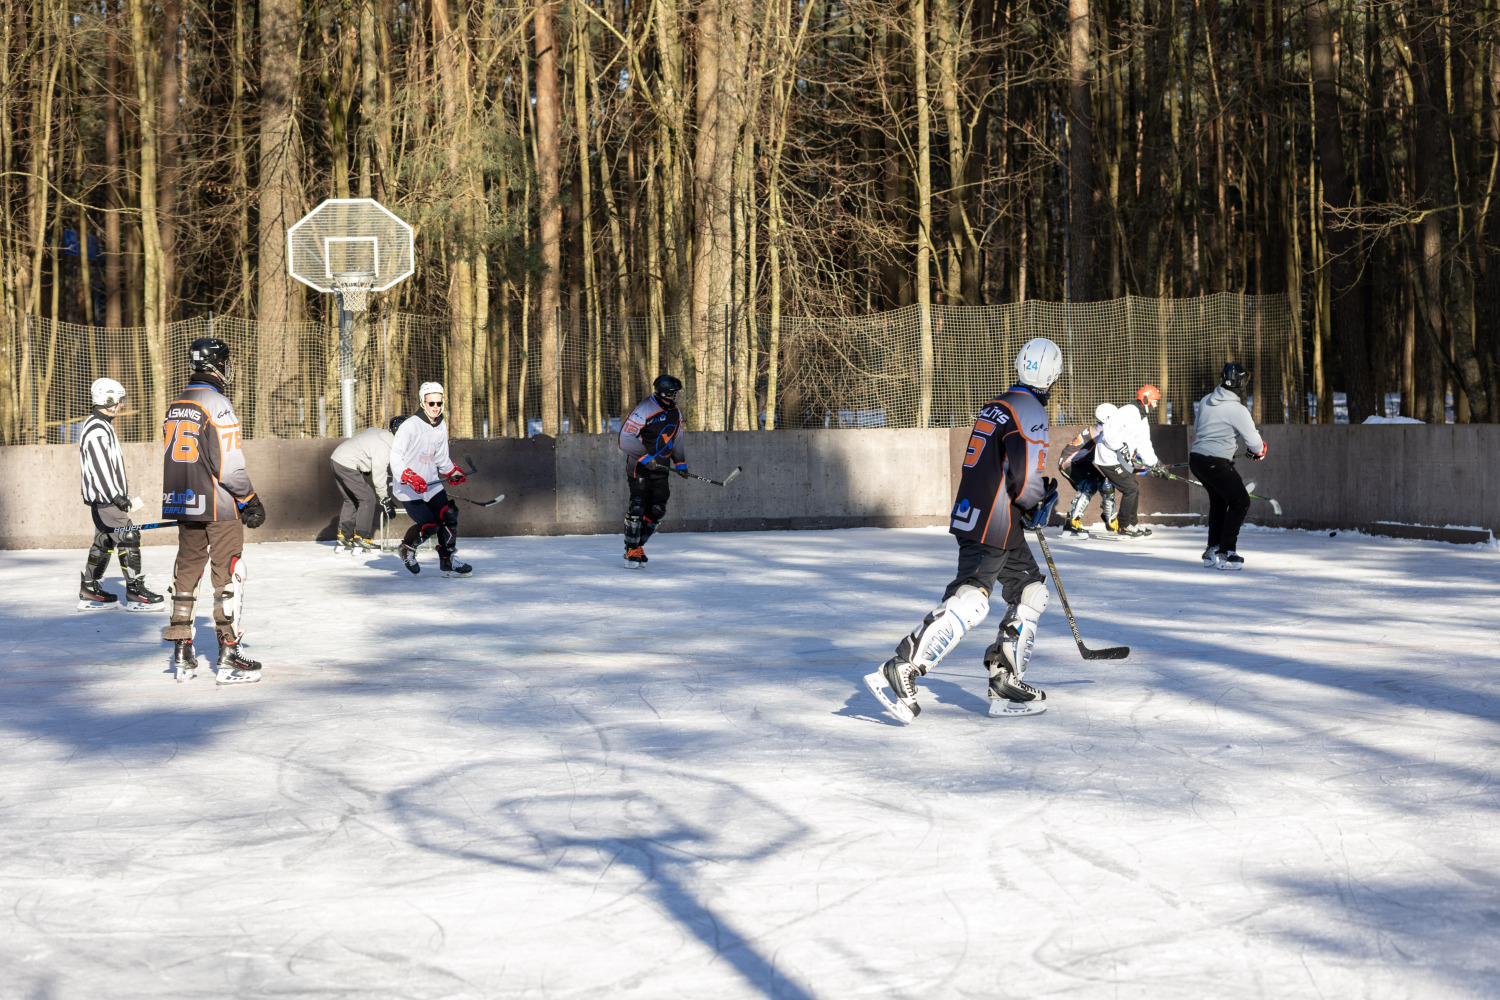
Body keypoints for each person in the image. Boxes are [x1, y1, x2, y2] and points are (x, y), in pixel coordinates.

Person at [864, 338, 1062, 723]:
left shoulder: (997, 405)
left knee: (1031, 591)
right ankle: (903, 666)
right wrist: (1036, 499)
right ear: (1054, 375)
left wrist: (1028, 498)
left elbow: (997, 466)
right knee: (972, 598)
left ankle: (1005, 680)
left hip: (983, 514)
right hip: (996, 518)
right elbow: (1023, 481)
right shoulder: (1031, 410)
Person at [160, 338, 266, 683]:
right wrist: (249, 499)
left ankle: (182, 648)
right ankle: (229, 652)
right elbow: (230, 466)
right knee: (229, 573)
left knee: (187, 572)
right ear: (218, 365)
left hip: (184, 503)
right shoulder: (218, 404)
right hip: (219, 507)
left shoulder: (175, 404)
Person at [77, 377, 163, 612]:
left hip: (107, 498)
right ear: (108, 399)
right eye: (120, 400)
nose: (122, 405)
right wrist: (116, 496)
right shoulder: (96, 428)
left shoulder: (102, 425)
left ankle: (89, 588)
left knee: (104, 540)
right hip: (107, 500)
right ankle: (135, 591)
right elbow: (99, 465)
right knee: (129, 537)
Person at [389, 383, 471, 577]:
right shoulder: (410, 426)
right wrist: (408, 476)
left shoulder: (441, 424)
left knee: (449, 515)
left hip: (431, 484)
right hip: (408, 488)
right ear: (422, 402)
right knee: (430, 525)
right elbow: (395, 457)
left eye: (439, 402)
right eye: (431, 402)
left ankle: (448, 559)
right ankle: (407, 548)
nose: (435, 407)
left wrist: (451, 471)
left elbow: (441, 457)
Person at [1189, 363, 1266, 570]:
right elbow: (1256, 443)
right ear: (1240, 383)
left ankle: (1213, 547)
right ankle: (1227, 550)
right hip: (1216, 462)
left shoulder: (1206, 400)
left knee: (1219, 502)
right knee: (1240, 501)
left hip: (1197, 459)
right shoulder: (1238, 409)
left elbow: (1200, 428)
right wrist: (1257, 451)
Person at [617, 374, 686, 566]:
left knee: (657, 511)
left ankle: (638, 546)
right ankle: (631, 549)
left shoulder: (675, 413)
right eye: (675, 393)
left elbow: (677, 439)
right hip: (639, 468)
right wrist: (645, 458)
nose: (677, 396)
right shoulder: (644, 409)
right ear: (665, 394)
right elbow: (625, 438)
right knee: (638, 507)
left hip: (661, 470)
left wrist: (680, 463)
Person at [1093, 385, 1167, 538]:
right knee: (1130, 489)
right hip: (1107, 458)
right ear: (1146, 399)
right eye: (1154, 401)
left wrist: (1155, 464)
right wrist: (1121, 447)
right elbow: (1109, 433)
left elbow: (1144, 444)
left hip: (1119, 459)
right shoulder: (1128, 411)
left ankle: (1132, 524)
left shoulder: (1142, 418)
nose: (1155, 405)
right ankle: (1124, 526)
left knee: (1134, 488)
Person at [330, 416, 401, 551]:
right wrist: (384, 498)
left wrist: (365, 465)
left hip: (336, 459)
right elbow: (379, 476)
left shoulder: (379, 433)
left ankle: (344, 536)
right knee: (367, 498)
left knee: (350, 499)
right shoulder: (385, 447)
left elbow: (365, 441)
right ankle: (362, 537)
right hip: (346, 462)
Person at [1056, 402, 1119, 536]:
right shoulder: (1099, 433)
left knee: (1106, 484)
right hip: (1069, 462)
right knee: (1089, 485)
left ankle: (1110, 520)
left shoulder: (1102, 430)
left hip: (1083, 462)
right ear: (1106, 418)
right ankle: (1072, 522)